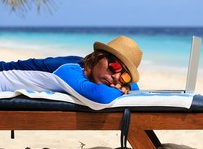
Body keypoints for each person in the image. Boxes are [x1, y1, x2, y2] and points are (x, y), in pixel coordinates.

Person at [0, 35, 142, 105]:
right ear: (99, 57)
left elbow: (136, 88)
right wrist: (121, 89)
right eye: (114, 66)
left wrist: (128, 85)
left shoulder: (84, 65)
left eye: (124, 76)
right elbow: (101, 96)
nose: (116, 77)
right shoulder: (68, 70)